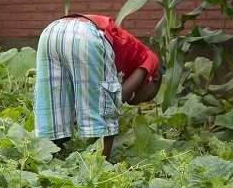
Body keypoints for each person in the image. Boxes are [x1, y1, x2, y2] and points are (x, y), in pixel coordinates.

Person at [33, 14, 161, 160]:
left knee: (54, 105)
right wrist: (114, 103)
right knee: (106, 106)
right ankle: (100, 166)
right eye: (148, 97)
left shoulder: (131, 55)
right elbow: (122, 95)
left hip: (52, 32)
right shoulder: (151, 58)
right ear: (154, 78)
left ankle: (51, 159)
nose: (141, 101)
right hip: (87, 34)